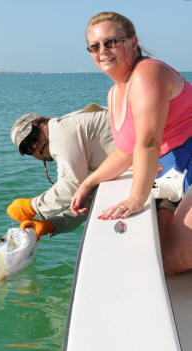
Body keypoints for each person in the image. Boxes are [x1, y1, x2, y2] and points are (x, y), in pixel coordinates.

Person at [70, 12, 192, 276]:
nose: (102, 51)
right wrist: (89, 182)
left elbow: (148, 142)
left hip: (185, 166)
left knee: (173, 256)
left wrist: (137, 198)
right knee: (152, 253)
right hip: (176, 173)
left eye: (111, 42)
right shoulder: (114, 93)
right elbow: (126, 151)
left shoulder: (148, 73)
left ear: (133, 42)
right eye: (95, 46)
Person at [7, 103, 115, 239]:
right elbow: (83, 197)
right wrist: (50, 225)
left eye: (33, 136)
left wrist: (31, 206)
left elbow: (71, 187)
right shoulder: (72, 137)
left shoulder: (60, 132)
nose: (35, 145)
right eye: (27, 148)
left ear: (44, 122)